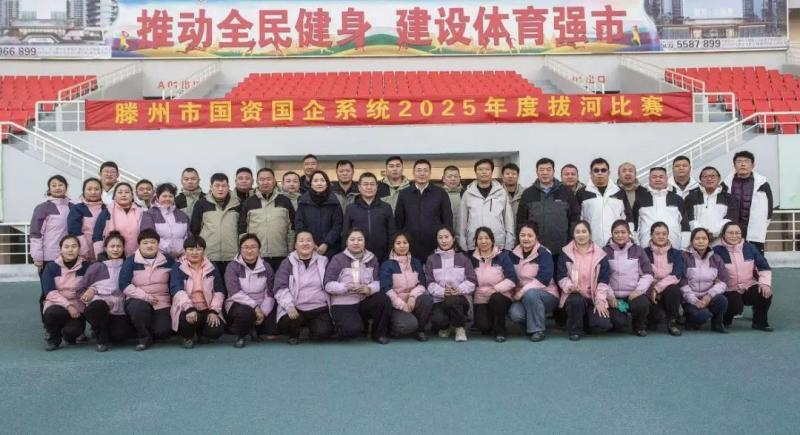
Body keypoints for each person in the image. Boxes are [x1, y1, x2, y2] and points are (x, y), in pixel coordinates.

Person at [324, 228, 391, 344]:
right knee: (352, 330)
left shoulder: (372, 259)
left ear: (364, 242)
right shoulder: (338, 259)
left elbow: (377, 282)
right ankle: (343, 327)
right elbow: (328, 284)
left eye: (360, 240)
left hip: (364, 299)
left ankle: (378, 334)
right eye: (352, 239)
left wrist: (368, 289)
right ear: (346, 242)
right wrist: (346, 287)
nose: (356, 242)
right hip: (343, 302)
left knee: (383, 299)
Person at [273, 231, 335, 344]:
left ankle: (310, 330)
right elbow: (280, 287)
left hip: (318, 308)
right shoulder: (287, 263)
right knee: (290, 322)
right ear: (295, 245)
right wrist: (289, 305)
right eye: (301, 241)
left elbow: (330, 283)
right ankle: (295, 333)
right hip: (295, 308)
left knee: (323, 333)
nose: (305, 243)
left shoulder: (324, 261)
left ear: (314, 244)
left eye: (309, 240)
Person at [556, 221, 613, 341]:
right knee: (576, 301)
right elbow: (561, 276)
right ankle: (575, 331)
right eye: (577, 232)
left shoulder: (600, 254)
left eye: (584, 231)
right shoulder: (565, 252)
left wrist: (600, 301)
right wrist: (570, 286)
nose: (581, 235)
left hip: (593, 297)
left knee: (602, 325)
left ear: (590, 234)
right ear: (573, 235)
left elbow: (604, 280)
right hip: (574, 295)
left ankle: (583, 320)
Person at [121, 229, 176, 351]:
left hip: (161, 301)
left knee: (163, 331)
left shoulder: (168, 260)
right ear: (139, 245)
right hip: (137, 299)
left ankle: (145, 329)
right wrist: (145, 297)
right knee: (138, 308)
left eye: (153, 242)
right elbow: (123, 284)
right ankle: (144, 338)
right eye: (145, 243)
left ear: (158, 244)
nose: (149, 245)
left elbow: (175, 281)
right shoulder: (131, 261)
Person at [713, 222, 773, 332]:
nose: (734, 236)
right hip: (728, 289)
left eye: (737, 233)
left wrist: (765, 284)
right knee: (735, 306)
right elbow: (711, 272)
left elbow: (764, 267)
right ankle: (725, 320)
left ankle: (760, 322)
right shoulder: (716, 251)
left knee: (765, 293)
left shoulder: (750, 248)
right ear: (723, 234)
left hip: (748, 285)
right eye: (730, 233)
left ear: (742, 234)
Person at [79, 232, 133, 351]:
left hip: (120, 309)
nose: (115, 249)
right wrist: (93, 291)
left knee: (120, 336)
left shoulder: (127, 265)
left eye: (119, 246)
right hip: (100, 306)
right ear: (105, 248)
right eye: (112, 246)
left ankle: (102, 329)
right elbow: (81, 289)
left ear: (123, 248)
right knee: (98, 307)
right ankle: (101, 338)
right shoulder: (96, 266)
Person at [169, 236, 226, 349]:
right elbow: (177, 290)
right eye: (191, 249)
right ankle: (188, 337)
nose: (194, 253)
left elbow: (219, 291)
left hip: (207, 307)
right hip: (186, 308)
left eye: (199, 249)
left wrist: (214, 310)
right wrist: (189, 308)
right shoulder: (178, 267)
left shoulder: (212, 266)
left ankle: (202, 334)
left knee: (216, 330)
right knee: (188, 321)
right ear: (185, 251)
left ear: (204, 251)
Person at [516, 157, 579, 256]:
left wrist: (571, 241)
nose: (545, 173)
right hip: (535, 249)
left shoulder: (566, 192)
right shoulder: (528, 193)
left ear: (554, 171)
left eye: (548, 169)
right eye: (541, 170)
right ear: (537, 172)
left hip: (562, 249)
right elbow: (521, 220)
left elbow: (574, 218)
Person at [508, 222, 559, 342]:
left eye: (530, 235)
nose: (526, 238)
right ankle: (536, 320)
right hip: (522, 296)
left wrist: (523, 291)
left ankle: (538, 330)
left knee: (531, 294)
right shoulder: (513, 254)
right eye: (522, 235)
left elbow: (544, 279)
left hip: (547, 294)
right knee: (515, 314)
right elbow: (510, 276)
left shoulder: (544, 253)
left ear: (536, 237)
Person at [224, 234, 277, 348]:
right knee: (246, 313)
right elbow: (234, 292)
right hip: (238, 303)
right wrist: (255, 307)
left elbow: (270, 293)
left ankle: (253, 328)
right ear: (240, 249)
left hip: (261, 305)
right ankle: (241, 335)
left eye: (253, 247)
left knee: (272, 329)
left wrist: (263, 312)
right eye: (246, 247)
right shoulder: (232, 267)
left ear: (259, 249)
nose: (249, 250)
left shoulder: (266, 267)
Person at [603, 220, 654, 337]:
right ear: (612, 234)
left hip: (633, 295)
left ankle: (639, 325)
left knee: (642, 304)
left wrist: (638, 291)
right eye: (616, 232)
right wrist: (610, 296)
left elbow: (648, 274)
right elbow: (602, 277)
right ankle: (622, 319)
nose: (620, 235)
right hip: (615, 297)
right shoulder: (605, 251)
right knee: (618, 323)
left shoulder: (638, 250)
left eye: (623, 232)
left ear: (629, 233)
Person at [425, 227, 476, 342]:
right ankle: (446, 326)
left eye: (446, 237)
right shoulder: (431, 259)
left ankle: (460, 327)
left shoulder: (463, 258)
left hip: (460, 299)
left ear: (453, 239)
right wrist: (442, 291)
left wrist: (459, 289)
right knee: (438, 320)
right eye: (440, 237)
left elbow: (472, 281)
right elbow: (429, 282)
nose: (444, 240)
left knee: (452, 300)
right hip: (439, 299)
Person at [239, 168, 296, 272]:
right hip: (256, 256)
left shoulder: (284, 201)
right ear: (257, 181)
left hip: (281, 255)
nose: (265, 182)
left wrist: (290, 251)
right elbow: (243, 230)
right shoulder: (249, 202)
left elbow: (292, 228)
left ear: (274, 181)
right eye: (262, 179)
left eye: (268, 179)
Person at [396, 159, 453, 260]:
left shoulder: (440, 193)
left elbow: (447, 219)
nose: (422, 173)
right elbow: (399, 221)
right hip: (410, 246)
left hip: (435, 245)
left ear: (430, 173)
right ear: (413, 173)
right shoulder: (404, 194)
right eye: (419, 170)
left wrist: (446, 241)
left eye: (425, 170)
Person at [379, 232, 432, 341]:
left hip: (413, 301)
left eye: (405, 242)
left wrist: (412, 297)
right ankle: (393, 327)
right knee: (408, 325)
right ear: (393, 245)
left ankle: (420, 330)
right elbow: (386, 289)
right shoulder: (387, 265)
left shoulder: (416, 263)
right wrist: (403, 305)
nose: (402, 246)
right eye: (398, 243)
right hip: (396, 306)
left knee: (426, 300)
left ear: (409, 244)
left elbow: (422, 284)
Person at [40, 235, 89, 351]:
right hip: (57, 304)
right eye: (66, 247)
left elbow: (90, 287)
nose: (70, 250)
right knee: (52, 313)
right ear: (61, 249)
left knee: (73, 332)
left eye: (74, 246)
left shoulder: (86, 266)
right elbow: (50, 292)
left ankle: (68, 333)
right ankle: (53, 338)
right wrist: (68, 305)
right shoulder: (51, 267)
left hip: (78, 308)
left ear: (79, 249)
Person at [470, 227, 518, 342]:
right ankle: (490, 321)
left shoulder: (502, 257)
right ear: (476, 241)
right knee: (483, 326)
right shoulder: (472, 259)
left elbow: (512, 279)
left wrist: (496, 289)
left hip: (500, 295)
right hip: (481, 297)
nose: (483, 241)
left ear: (492, 240)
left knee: (496, 299)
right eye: (480, 239)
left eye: (486, 238)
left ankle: (500, 331)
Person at [458, 159, 515, 252]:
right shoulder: (468, 194)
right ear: (475, 172)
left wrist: (509, 245)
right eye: (480, 169)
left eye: (487, 169)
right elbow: (462, 221)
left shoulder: (501, 192)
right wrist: (463, 245)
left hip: (497, 243)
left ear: (492, 172)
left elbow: (508, 220)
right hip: (474, 243)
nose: (484, 172)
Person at [190, 173, 240, 275]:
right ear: (211, 187)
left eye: (223, 186)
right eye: (217, 186)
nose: (220, 189)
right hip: (209, 255)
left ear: (228, 187)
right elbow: (195, 229)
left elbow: (241, 228)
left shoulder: (237, 204)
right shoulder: (201, 204)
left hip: (232, 255)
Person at [681, 228, 729, 333]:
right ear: (691, 241)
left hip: (708, 297)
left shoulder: (716, 259)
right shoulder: (684, 258)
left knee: (722, 300)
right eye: (697, 239)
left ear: (708, 241)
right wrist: (694, 301)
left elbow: (723, 281)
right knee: (702, 315)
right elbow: (682, 283)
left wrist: (709, 296)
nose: (701, 241)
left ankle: (717, 324)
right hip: (690, 299)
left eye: (704, 238)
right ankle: (690, 320)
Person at [724, 151, 773, 254]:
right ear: (734, 165)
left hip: (754, 229)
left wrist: (762, 226)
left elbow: (769, 209)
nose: (743, 164)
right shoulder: (725, 184)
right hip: (732, 229)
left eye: (746, 161)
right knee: (730, 258)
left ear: (753, 165)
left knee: (755, 257)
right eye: (739, 161)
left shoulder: (762, 184)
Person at [577, 158, 632, 247]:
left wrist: (630, 238)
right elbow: (578, 219)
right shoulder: (582, 193)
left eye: (603, 170)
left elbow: (628, 218)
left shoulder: (619, 192)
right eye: (596, 170)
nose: (600, 173)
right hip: (591, 245)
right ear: (591, 173)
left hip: (616, 244)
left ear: (608, 173)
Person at [643, 222, 684, 336]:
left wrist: (657, 288)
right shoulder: (644, 253)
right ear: (651, 235)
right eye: (657, 234)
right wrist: (651, 290)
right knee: (657, 318)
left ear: (668, 235)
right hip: (649, 292)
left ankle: (672, 323)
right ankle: (648, 320)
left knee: (674, 289)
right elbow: (642, 274)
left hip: (667, 291)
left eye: (664, 234)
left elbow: (676, 275)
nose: (661, 236)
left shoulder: (676, 254)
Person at [342, 172, 395, 262]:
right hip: (357, 257)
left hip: (382, 257)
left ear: (377, 187)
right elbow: (345, 234)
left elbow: (392, 233)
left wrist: (390, 254)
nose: (369, 187)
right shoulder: (351, 208)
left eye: (372, 184)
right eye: (365, 184)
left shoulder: (386, 207)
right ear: (359, 187)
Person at [633, 167, 688, 249]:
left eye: (661, 177)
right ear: (649, 179)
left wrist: (684, 247)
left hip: (674, 248)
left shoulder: (677, 199)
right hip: (646, 249)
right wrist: (637, 247)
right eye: (654, 177)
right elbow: (635, 226)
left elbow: (685, 226)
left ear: (666, 179)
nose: (658, 179)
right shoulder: (641, 199)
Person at [295, 170, 343, 258]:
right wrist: (311, 243)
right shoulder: (303, 201)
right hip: (308, 248)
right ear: (311, 184)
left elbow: (338, 225)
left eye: (322, 180)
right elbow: (299, 224)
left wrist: (326, 243)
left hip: (332, 248)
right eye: (316, 181)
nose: (319, 183)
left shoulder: (334, 202)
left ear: (327, 184)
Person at [31, 175, 72, 275]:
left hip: (70, 256)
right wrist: (37, 257)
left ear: (66, 187)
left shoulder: (73, 207)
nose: (57, 188)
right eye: (54, 185)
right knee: (49, 285)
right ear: (49, 189)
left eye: (60, 185)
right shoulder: (42, 208)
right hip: (49, 258)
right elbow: (36, 234)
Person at [683, 166, 738, 240]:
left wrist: (714, 232)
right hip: (697, 240)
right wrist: (702, 233)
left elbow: (730, 218)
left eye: (712, 176)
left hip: (721, 240)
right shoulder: (691, 197)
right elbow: (689, 218)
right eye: (705, 176)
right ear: (700, 180)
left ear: (719, 179)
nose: (709, 179)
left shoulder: (729, 198)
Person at [92, 182, 143, 258]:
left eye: (127, 192)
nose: (123, 195)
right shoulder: (107, 212)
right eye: (120, 192)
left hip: (137, 257)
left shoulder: (141, 211)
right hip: (113, 257)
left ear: (132, 196)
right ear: (114, 196)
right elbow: (98, 235)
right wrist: (100, 256)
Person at [140, 183, 190, 258]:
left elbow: (188, 235)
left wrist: (184, 250)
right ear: (157, 197)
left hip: (182, 256)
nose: (167, 199)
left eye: (170, 196)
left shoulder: (182, 215)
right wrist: (169, 250)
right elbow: (149, 235)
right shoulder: (149, 214)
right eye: (164, 196)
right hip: (159, 256)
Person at [68, 177, 105, 262]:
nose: (93, 192)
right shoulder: (77, 208)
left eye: (96, 189)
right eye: (89, 189)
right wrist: (83, 251)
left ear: (101, 191)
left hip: (103, 252)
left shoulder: (106, 209)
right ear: (84, 191)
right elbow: (74, 231)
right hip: (82, 253)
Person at [442, 165, 463, 230]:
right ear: (443, 179)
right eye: (449, 176)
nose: (453, 179)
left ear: (459, 178)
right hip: (444, 233)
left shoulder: (465, 194)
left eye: (456, 176)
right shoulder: (438, 195)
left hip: (462, 233)